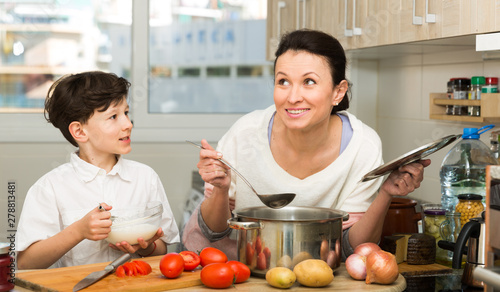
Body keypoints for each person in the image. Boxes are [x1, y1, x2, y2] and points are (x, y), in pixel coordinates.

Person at [182, 29, 430, 260]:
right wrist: (222, 190)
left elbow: (350, 247)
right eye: (283, 81)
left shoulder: (362, 146)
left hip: (308, 271)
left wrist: (385, 193)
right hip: (223, 266)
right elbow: (214, 232)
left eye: (309, 81)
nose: (292, 97)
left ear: (338, 92)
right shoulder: (246, 134)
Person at [16, 71, 179, 269]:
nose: (128, 124)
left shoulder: (145, 177)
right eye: (113, 116)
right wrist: (78, 231)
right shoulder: (49, 188)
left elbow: (162, 249)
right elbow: (25, 264)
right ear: (79, 131)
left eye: (126, 113)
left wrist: (145, 248)